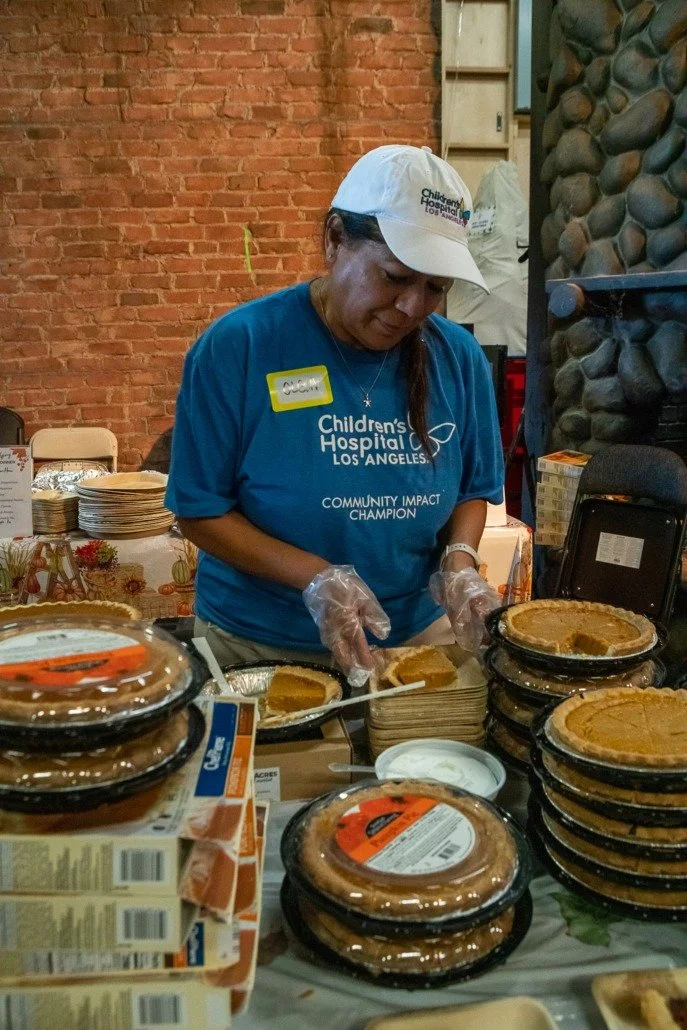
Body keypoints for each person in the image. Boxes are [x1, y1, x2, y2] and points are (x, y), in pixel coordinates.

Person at [165, 144, 504, 684]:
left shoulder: (457, 358)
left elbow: (470, 490)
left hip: (413, 637)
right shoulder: (241, 346)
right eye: (394, 277)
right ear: (334, 239)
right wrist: (315, 578)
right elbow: (199, 509)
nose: (413, 307)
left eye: (435, 288)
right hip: (258, 644)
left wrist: (459, 563)